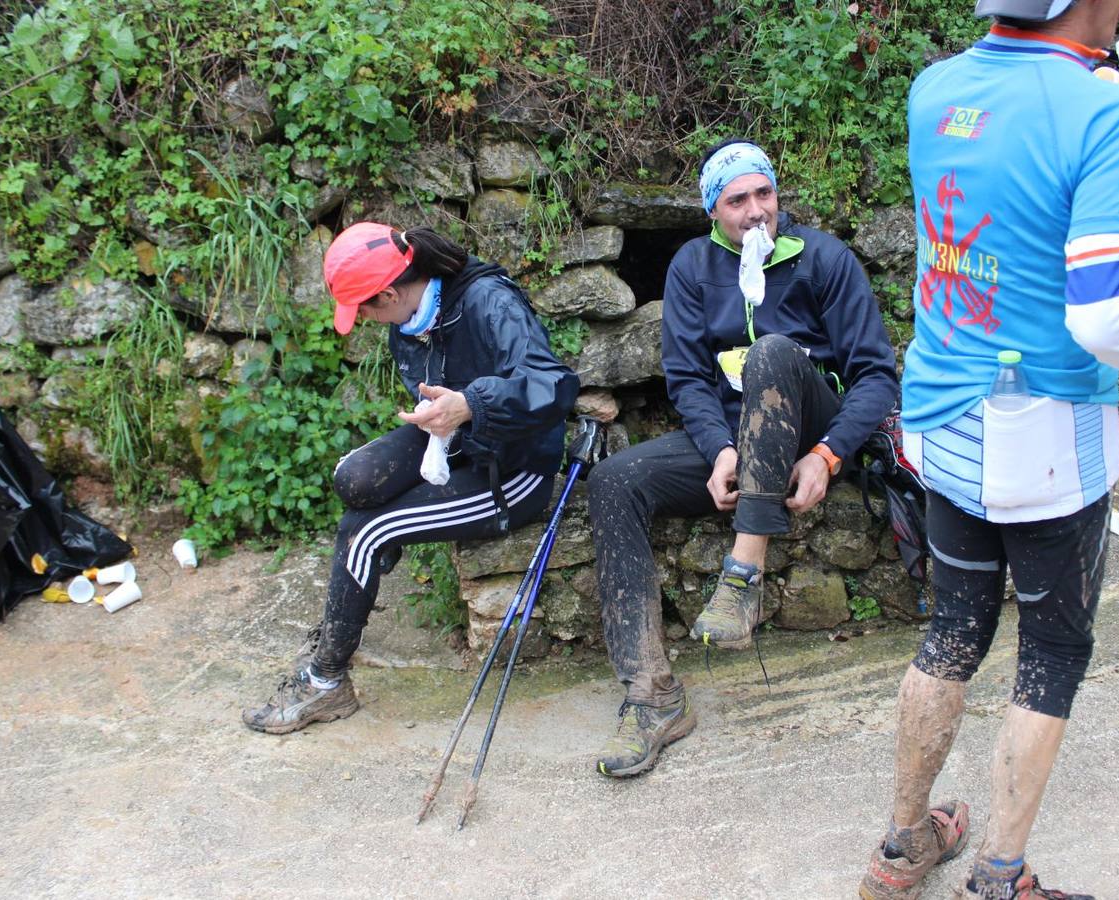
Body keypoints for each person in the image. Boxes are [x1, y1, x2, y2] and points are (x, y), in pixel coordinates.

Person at [855, 2, 1119, 898]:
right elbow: (1106, 313)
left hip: (941, 412)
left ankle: (902, 850)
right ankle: (999, 878)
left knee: (952, 631)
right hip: (1042, 433)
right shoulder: (1109, 116)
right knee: (1052, 649)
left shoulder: (935, 89)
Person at [587, 139, 899, 777]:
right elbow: (687, 378)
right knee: (614, 481)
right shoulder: (693, 268)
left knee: (774, 352)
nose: (756, 210)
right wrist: (721, 449)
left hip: (809, 426)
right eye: (737, 200)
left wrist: (828, 454)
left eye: (765, 193)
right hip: (735, 436)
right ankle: (653, 698)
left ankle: (742, 575)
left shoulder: (824, 259)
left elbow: (876, 378)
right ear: (713, 211)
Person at [242, 223, 578, 734]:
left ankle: (326, 683)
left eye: (366, 310)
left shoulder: (488, 301)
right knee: (353, 480)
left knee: (365, 528)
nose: (366, 323)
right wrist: (449, 416)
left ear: (391, 292)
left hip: (513, 470)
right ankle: (380, 554)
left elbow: (553, 387)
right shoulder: (409, 318)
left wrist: (471, 406)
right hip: (455, 441)